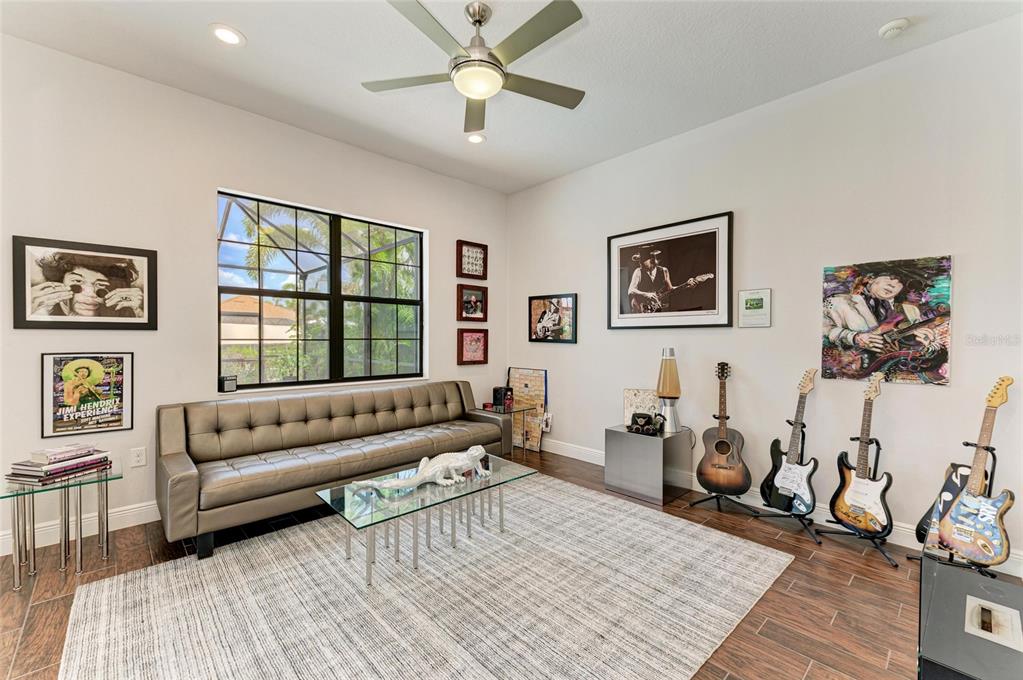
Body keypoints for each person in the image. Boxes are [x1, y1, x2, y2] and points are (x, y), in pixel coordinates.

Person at [30, 252, 144, 318]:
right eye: (77, 282)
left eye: (101, 285)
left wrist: (139, 313)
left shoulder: (120, 313)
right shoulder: (41, 313)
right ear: (58, 283)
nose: (91, 294)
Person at [626, 245, 704, 313]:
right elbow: (631, 290)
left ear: (652, 260)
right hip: (640, 308)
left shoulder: (664, 271)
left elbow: (670, 290)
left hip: (657, 308)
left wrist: (686, 285)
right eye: (640, 261)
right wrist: (646, 294)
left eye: (643, 260)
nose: (640, 263)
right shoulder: (638, 271)